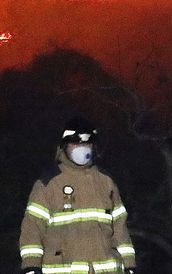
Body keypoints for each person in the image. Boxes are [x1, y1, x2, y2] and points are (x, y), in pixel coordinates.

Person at [19, 117, 136, 274]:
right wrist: (31, 266)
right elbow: (32, 226)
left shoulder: (106, 182)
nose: (82, 148)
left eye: (87, 144)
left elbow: (120, 227)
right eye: (76, 143)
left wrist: (129, 265)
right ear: (64, 146)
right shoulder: (48, 183)